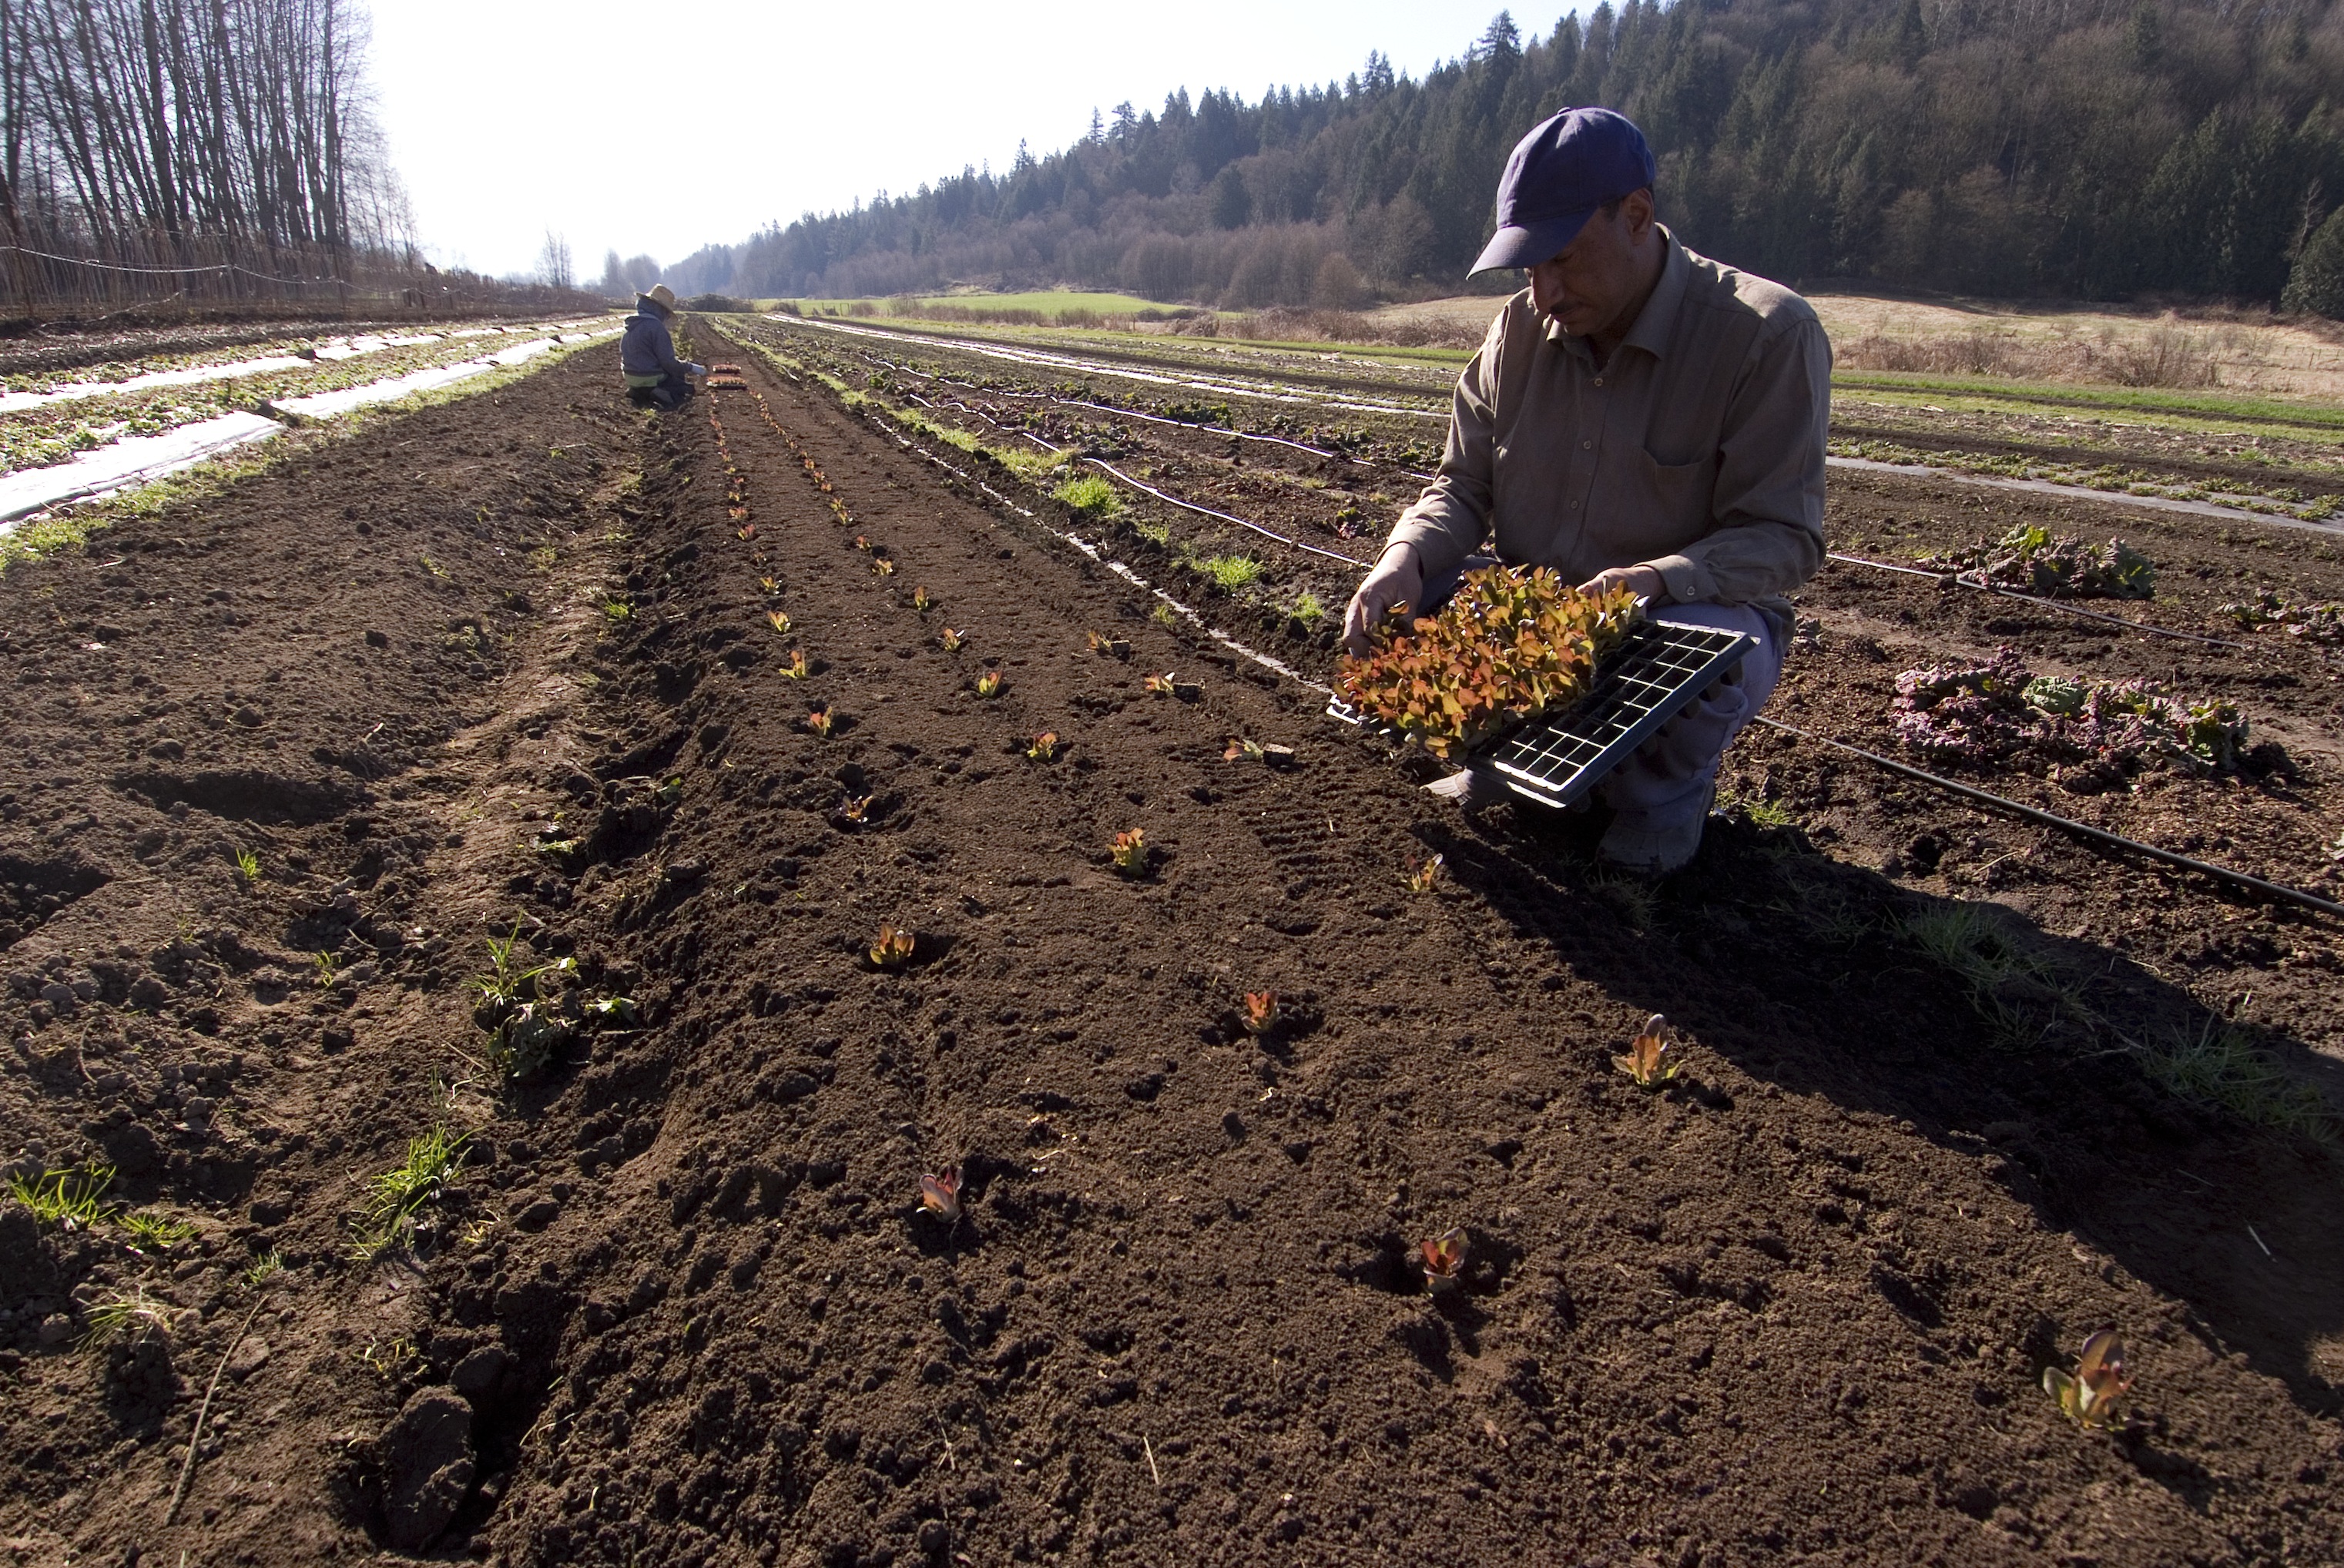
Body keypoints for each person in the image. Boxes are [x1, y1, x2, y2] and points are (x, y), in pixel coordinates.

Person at [1342, 107, 1829, 874]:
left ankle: (1655, 799)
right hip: (1544, 612)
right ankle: (1508, 761)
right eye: (1527, 269)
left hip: (1670, 615)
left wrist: (1655, 579)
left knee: (1698, 647)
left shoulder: (1763, 335)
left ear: (1635, 216)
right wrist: (1399, 558)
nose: (1544, 292)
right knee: (1424, 591)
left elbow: (1784, 537)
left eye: (1563, 260)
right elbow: (1460, 485)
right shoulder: (1516, 334)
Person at [620, 284, 705, 410]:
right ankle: (659, 393)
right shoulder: (656, 328)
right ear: (660, 310)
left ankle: (639, 393)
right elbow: (669, 363)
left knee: (666, 375)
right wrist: (691, 367)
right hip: (650, 377)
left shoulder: (631, 325)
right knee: (686, 388)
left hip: (630, 376)